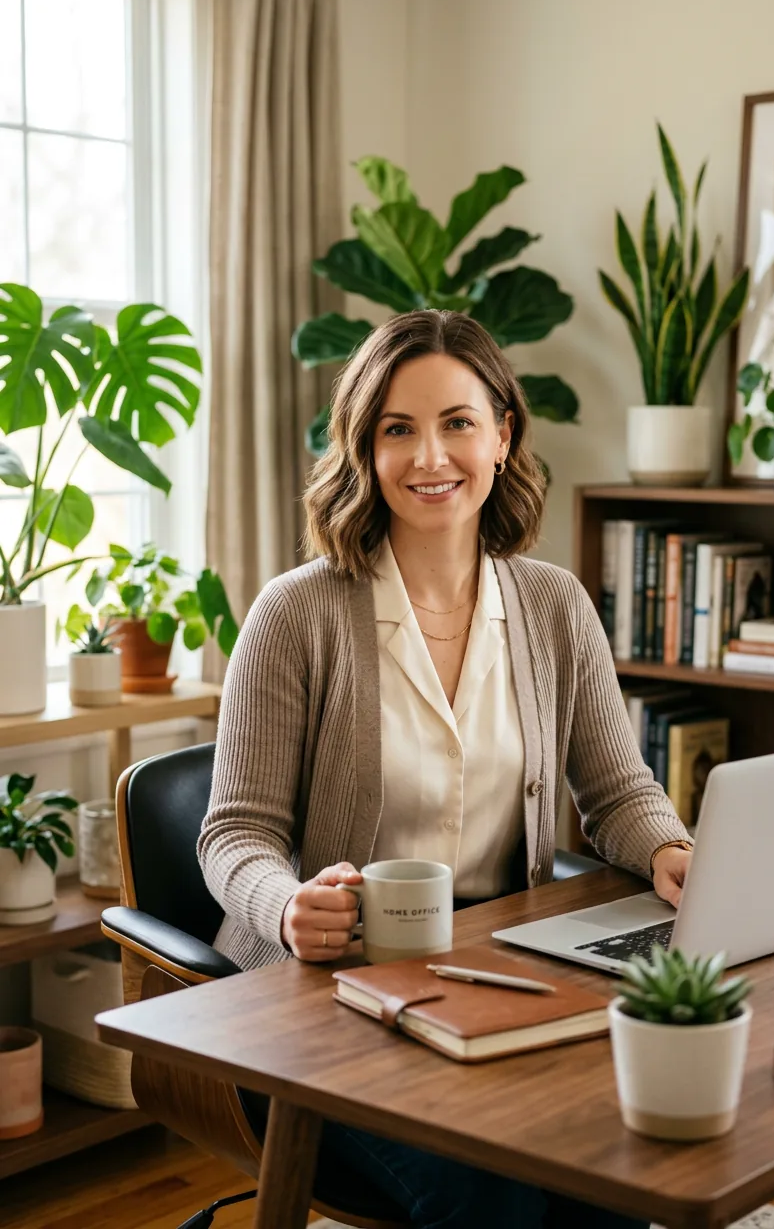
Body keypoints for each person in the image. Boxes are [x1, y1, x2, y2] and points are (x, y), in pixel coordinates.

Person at [198, 310, 694, 1229]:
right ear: (365, 448)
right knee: (489, 1198)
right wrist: (285, 904)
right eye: (398, 429)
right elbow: (236, 833)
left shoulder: (552, 606)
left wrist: (667, 847)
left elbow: (619, 792)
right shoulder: (295, 614)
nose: (431, 456)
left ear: (502, 435)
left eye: (457, 422)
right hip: (330, 1007)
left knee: (616, 1171)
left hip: (506, 982)